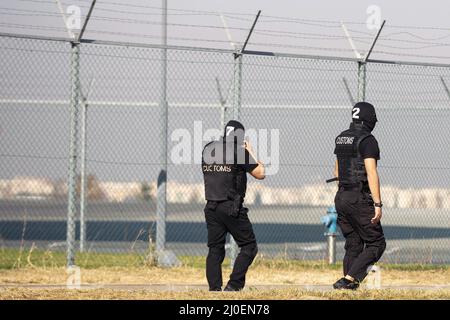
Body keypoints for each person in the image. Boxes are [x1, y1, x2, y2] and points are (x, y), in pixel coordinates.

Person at [201, 120, 265, 291]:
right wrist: (250, 152)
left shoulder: (208, 148)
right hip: (231, 208)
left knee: (215, 249)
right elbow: (260, 173)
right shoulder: (239, 151)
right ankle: (234, 286)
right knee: (249, 246)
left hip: (211, 206)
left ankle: (214, 290)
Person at [332, 102, 386, 290]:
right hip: (358, 198)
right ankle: (348, 280)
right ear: (369, 120)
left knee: (353, 243)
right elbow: (371, 173)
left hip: (341, 197)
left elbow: (337, 171)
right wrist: (378, 204)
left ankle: (348, 288)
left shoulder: (341, 138)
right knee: (376, 243)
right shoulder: (368, 140)